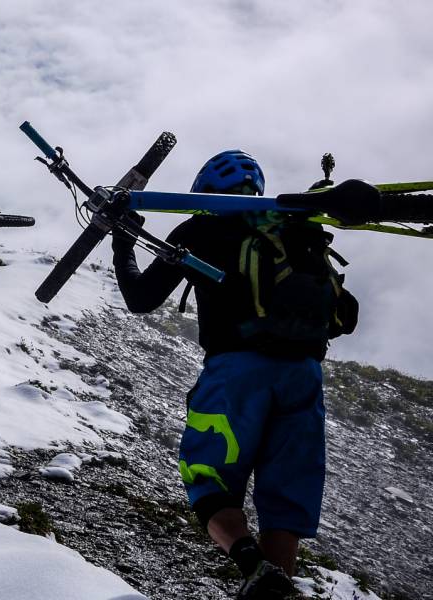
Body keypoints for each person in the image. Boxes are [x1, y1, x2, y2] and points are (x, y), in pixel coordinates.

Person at [110, 150, 358, 599]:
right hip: (304, 375)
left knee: (208, 478)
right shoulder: (292, 227)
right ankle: (277, 588)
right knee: (284, 498)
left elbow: (142, 298)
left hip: (237, 370)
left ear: (204, 188)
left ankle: (253, 566)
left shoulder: (200, 228)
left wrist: (122, 244)